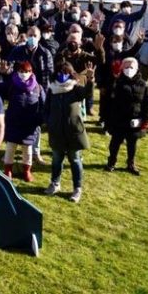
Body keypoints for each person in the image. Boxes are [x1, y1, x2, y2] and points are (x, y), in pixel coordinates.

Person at [44, 62, 94, 203]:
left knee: (75, 160)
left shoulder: (75, 88)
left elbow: (87, 93)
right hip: (57, 131)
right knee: (56, 159)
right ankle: (55, 183)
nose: (62, 75)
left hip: (73, 131)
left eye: (66, 72)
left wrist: (90, 80)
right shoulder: (52, 89)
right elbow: (46, 108)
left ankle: (77, 188)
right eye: (60, 72)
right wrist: (49, 122)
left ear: (71, 74)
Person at [0, 62, 45, 181]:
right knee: (10, 148)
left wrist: (39, 119)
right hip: (14, 122)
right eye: (21, 72)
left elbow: (44, 105)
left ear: (31, 72)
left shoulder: (38, 87)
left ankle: (27, 171)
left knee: (27, 150)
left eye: (26, 71)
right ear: (17, 72)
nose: (23, 74)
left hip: (29, 125)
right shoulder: (11, 84)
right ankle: (8, 170)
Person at [105, 57, 148, 175]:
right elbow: (109, 102)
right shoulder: (116, 82)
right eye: (126, 67)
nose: (129, 69)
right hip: (118, 120)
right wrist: (107, 119)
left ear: (137, 69)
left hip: (135, 120)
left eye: (131, 67)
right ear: (122, 68)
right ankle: (111, 162)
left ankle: (130, 164)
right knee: (115, 143)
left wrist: (146, 120)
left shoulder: (144, 85)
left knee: (132, 144)